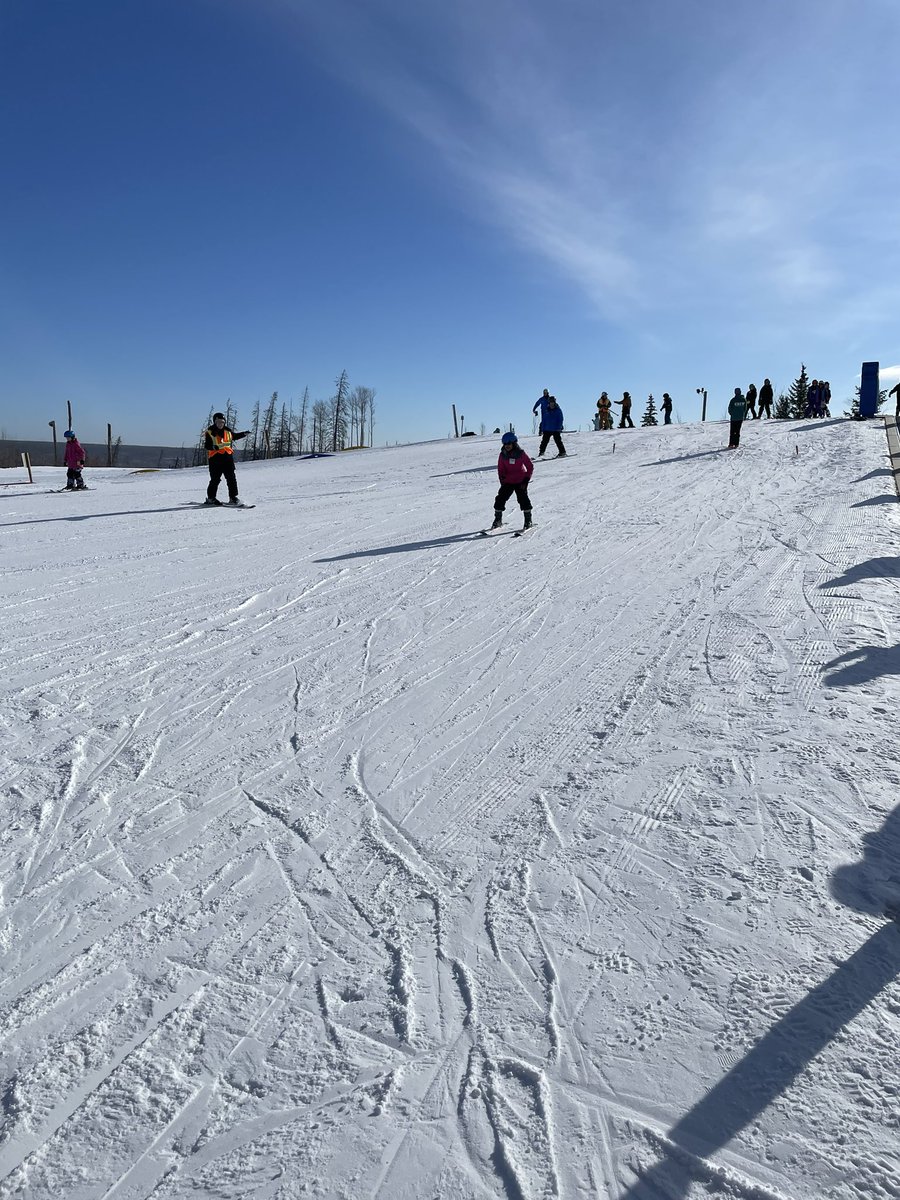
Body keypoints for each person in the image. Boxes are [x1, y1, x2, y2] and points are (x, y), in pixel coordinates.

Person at [489, 432, 534, 530]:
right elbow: (501, 469)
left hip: (520, 481)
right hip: (508, 481)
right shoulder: (502, 455)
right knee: (500, 499)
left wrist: (526, 480)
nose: (507, 446)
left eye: (509, 444)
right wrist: (503, 481)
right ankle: (498, 520)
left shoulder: (521, 454)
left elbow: (530, 467)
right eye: (505, 444)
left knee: (523, 500)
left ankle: (528, 521)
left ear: (514, 443)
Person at [204, 412, 250, 505]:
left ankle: (233, 497)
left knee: (231, 478)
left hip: (227, 457)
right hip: (215, 459)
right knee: (215, 479)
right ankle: (211, 498)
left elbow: (235, 436)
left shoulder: (227, 431)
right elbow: (207, 445)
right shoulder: (210, 432)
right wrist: (213, 447)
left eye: (222, 422)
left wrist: (244, 434)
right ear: (215, 422)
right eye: (218, 422)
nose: (220, 424)